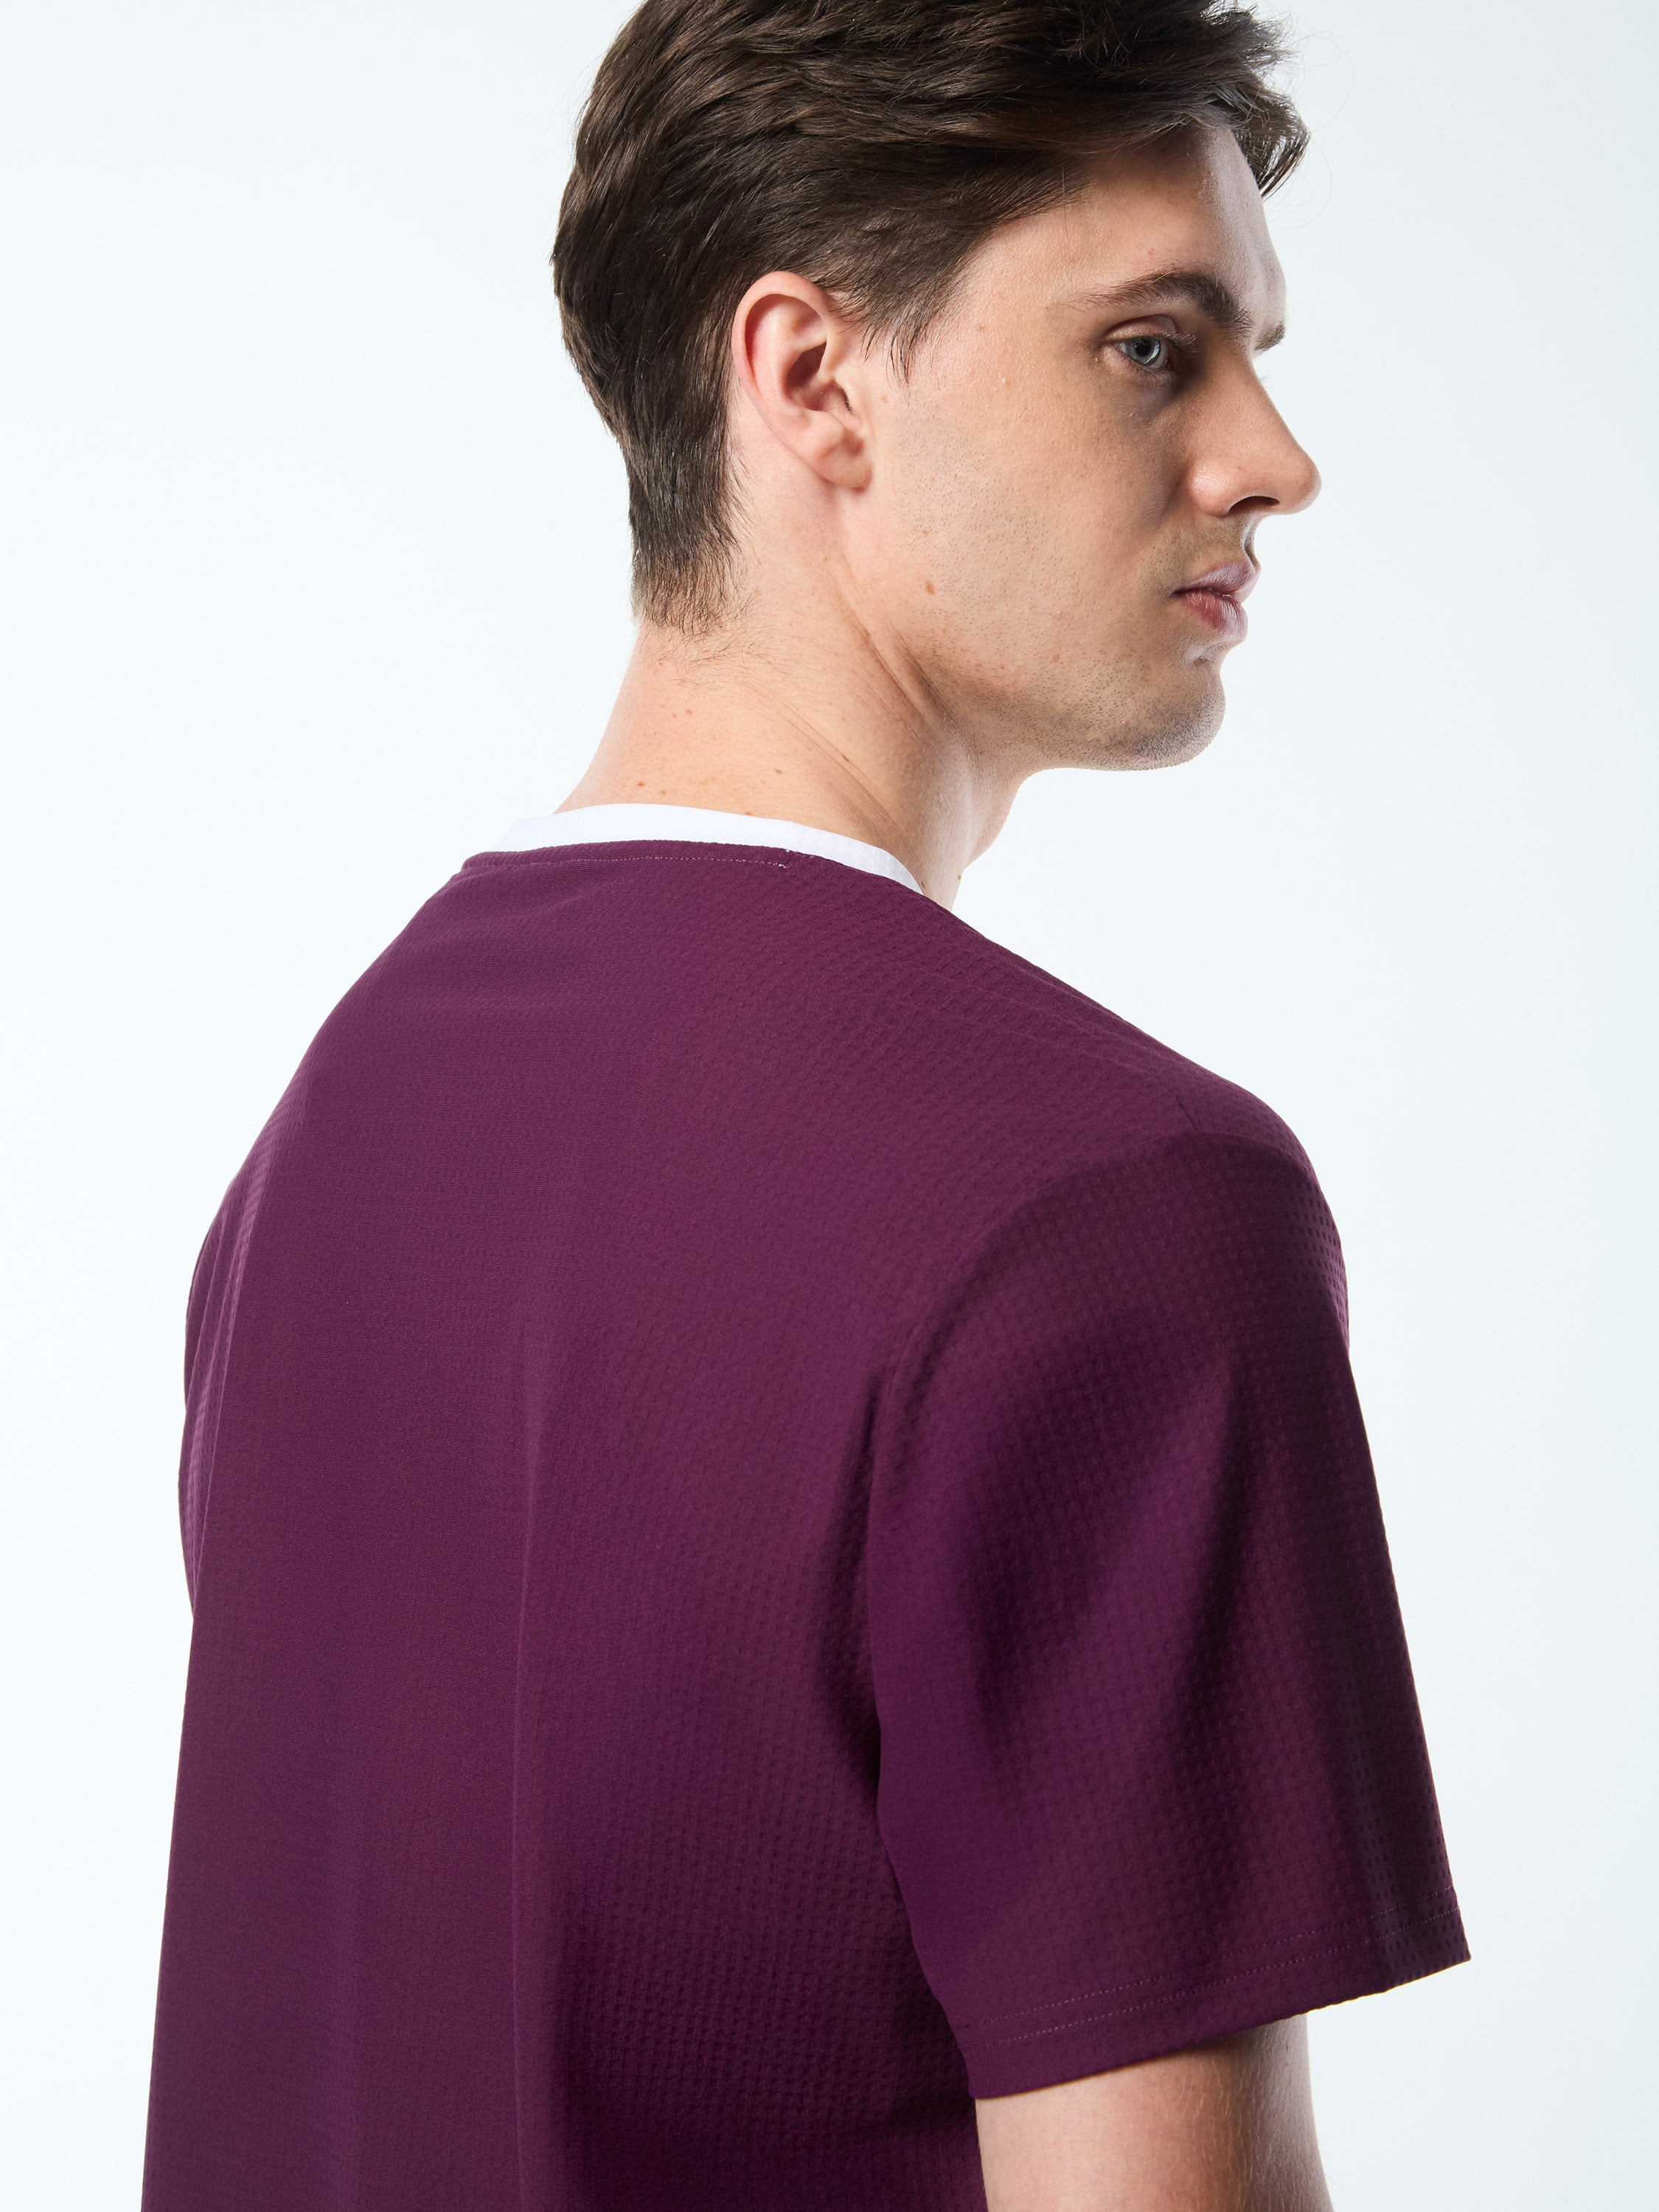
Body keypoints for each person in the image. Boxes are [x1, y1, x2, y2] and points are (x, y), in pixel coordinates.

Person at [141, 3, 1469, 2206]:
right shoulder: (1115, 1210)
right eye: (1153, 349)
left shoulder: (338, 1129)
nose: (1272, 458)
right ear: (814, 377)